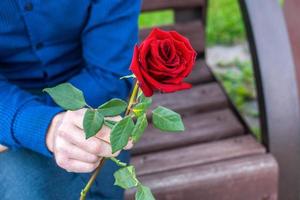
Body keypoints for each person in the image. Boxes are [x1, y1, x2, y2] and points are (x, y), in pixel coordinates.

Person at [0, 1, 141, 199]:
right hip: (8, 101)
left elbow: (110, 72)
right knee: (29, 189)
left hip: (91, 99)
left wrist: (36, 124)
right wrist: (41, 125)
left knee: (101, 185)